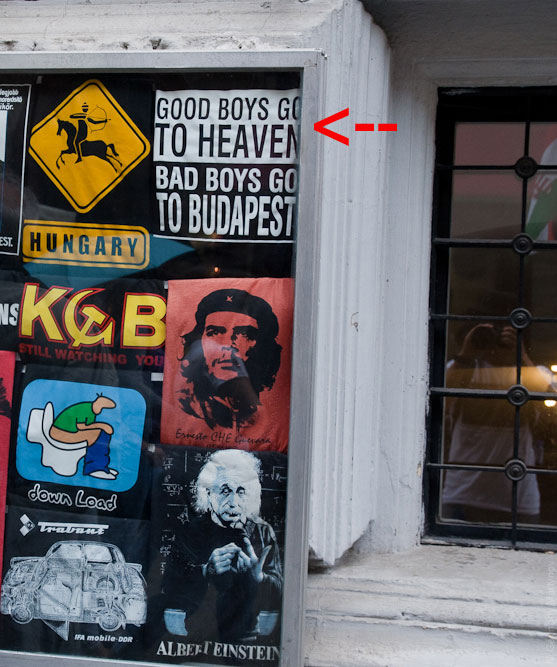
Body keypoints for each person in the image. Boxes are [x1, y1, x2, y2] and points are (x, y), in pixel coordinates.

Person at [165, 449, 282, 642]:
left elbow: (281, 591)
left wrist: (259, 577)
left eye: (241, 492)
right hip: (198, 637)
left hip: (248, 637)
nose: (233, 502)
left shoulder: (262, 532)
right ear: (208, 494)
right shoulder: (191, 531)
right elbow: (169, 587)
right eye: (225, 491)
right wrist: (206, 571)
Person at [178, 289, 282, 430]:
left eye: (243, 334)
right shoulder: (183, 405)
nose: (227, 345)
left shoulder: (270, 415)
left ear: (262, 347)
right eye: (214, 332)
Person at [49, 394, 119, 480]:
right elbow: (81, 427)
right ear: (97, 403)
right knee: (97, 435)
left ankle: (103, 467)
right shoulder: (86, 409)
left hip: (68, 431)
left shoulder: (91, 410)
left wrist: (103, 427)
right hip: (60, 432)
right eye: (101, 407)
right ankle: (94, 469)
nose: (100, 410)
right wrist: (102, 425)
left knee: (100, 433)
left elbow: (88, 427)